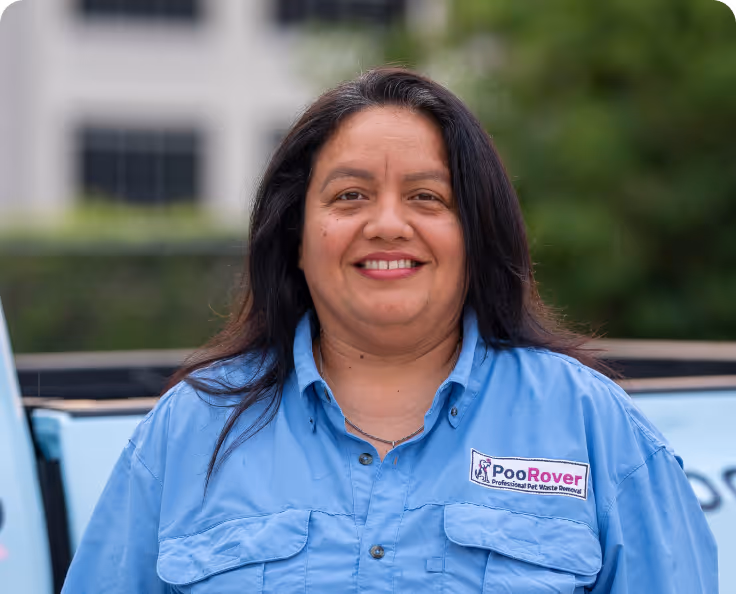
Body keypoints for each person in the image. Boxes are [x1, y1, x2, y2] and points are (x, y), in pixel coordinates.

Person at [62, 67, 717, 593]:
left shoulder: (593, 427)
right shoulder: (188, 433)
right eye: (349, 196)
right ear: (296, 235)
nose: (386, 225)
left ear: (477, 233)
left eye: (427, 197)